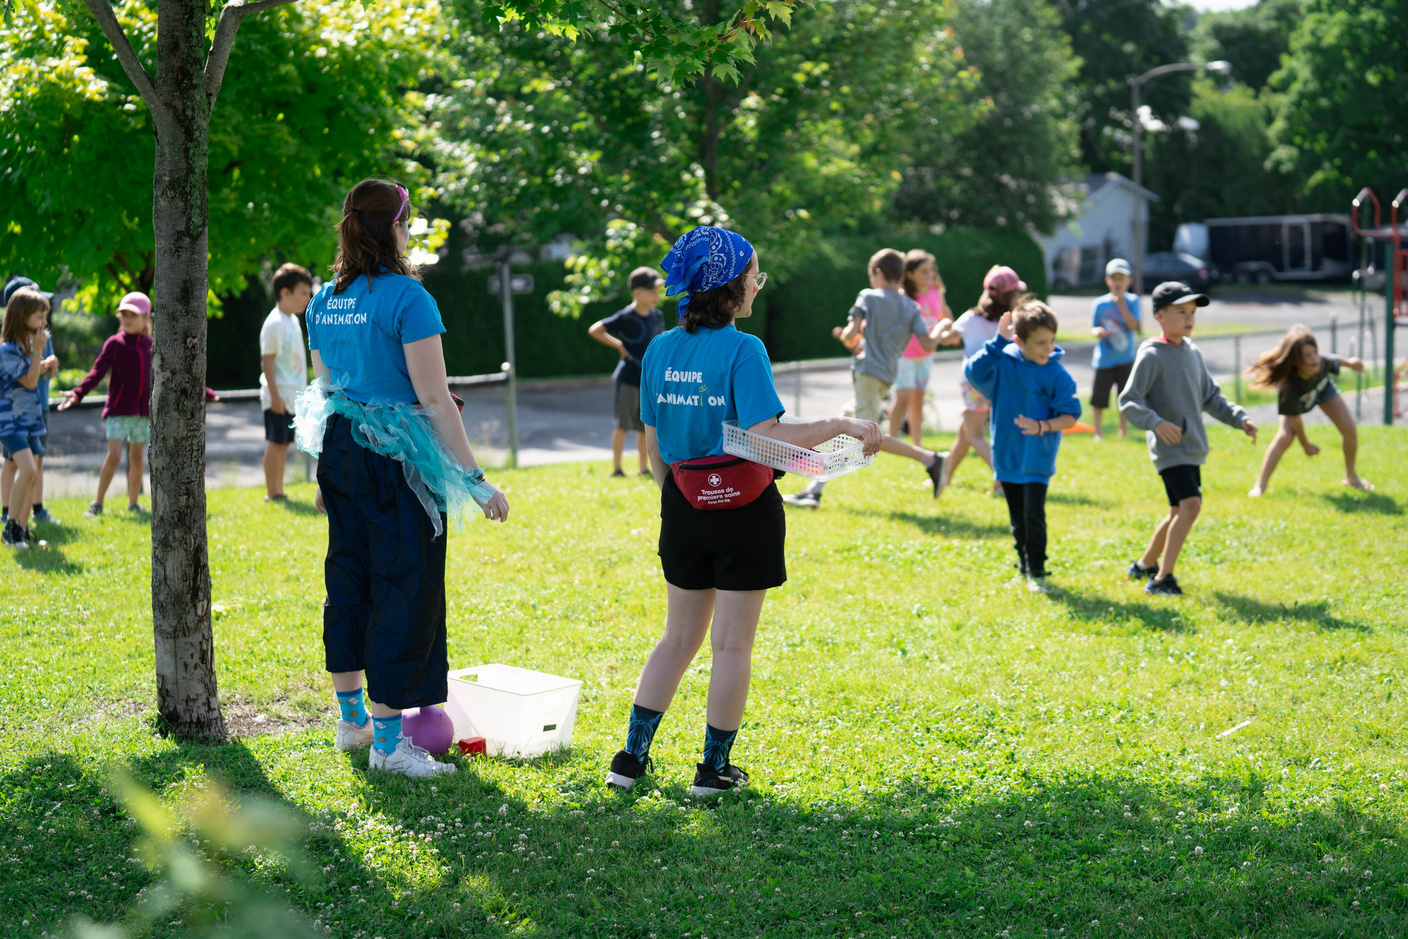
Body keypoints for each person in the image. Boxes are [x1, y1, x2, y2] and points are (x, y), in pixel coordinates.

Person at [606, 225, 881, 797]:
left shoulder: (658, 348)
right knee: (731, 645)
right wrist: (840, 423)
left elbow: (655, 444)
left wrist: (678, 498)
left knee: (676, 639)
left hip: (681, 504)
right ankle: (713, 771)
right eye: (754, 275)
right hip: (746, 511)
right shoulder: (743, 348)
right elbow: (767, 435)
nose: (758, 284)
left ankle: (630, 761)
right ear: (731, 285)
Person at [296, 177, 509, 779]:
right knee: (404, 587)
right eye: (407, 219)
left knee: (350, 578)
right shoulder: (408, 299)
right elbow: (435, 399)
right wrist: (475, 479)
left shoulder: (321, 299)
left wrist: (324, 473)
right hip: (397, 460)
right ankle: (390, 747)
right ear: (395, 225)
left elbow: (329, 393)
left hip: (341, 450)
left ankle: (352, 720)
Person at [1119, 282, 1257, 597]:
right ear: (1160, 316)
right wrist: (1156, 423)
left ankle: (1144, 566)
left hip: (1191, 447)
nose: (1189, 318)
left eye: (1192, 312)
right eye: (1181, 311)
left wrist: (1239, 418)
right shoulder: (1152, 354)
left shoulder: (1192, 350)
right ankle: (1162, 580)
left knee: (1177, 511)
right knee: (1190, 506)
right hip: (1170, 449)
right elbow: (1130, 401)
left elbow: (1210, 396)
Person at [783, 248, 948, 509]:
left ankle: (931, 459)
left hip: (867, 374)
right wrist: (939, 328)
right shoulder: (911, 306)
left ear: (878, 274)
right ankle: (813, 490)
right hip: (885, 378)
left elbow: (851, 334)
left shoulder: (868, 296)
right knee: (841, 427)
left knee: (866, 435)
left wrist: (846, 335)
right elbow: (928, 344)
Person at [963, 298, 1081, 594]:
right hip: (1006, 454)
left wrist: (1042, 426)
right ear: (1018, 340)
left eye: (1052, 340)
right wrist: (997, 342)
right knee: (1017, 518)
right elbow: (974, 374)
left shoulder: (1056, 373)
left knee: (1033, 514)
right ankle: (1023, 567)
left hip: (1037, 458)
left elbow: (1070, 416)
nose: (1049, 348)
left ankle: (1037, 572)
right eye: (1040, 343)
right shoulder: (1004, 362)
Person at [58, 292, 154, 516]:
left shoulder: (152, 345)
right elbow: (96, 372)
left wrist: (206, 392)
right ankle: (98, 503)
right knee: (114, 456)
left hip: (142, 413)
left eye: (133, 315)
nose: (127, 319)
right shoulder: (115, 343)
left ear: (146, 318)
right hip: (118, 412)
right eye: (124, 315)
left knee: (137, 457)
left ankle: (133, 504)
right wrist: (77, 393)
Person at [1245, 325, 1371, 496]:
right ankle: (1260, 486)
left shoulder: (1322, 363)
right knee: (1285, 436)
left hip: (1323, 390)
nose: (1314, 359)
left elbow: (1334, 359)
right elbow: (1296, 420)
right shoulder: (1289, 388)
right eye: (1307, 355)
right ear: (1295, 361)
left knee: (1350, 430)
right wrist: (1306, 445)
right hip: (1299, 402)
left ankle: (1351, 476)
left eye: (1315, 353)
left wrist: (1351, 363)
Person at [933, 265, 1024, 495]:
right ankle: (944, 476)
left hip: (973, 382)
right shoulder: (1011, 321)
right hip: (998, 384)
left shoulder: (971, 317)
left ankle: (1007, 478)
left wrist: (942, 325)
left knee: (974, 435)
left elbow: (947, 339)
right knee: (965, 434)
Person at [588, 267, 665, 477]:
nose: (656, 296)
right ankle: (617, 469)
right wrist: (620, 346)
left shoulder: (657, 316)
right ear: (637, 293)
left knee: (644, 426)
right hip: (628, 378)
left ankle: (643, 468)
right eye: (651, 291)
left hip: (647, 380)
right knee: (622, 425)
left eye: (657, 291)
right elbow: (595, 329)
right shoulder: (625, 316)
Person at [0, 287, 57, 549]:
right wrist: (38, 352)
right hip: (11, 422)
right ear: (21, 317)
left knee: (32, 476)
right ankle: (10, 528)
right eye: (39, 317)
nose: (44, 323)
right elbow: (29, 380)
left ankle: (21, 531)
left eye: (45, 317)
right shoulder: (7, 350)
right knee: (29, 470)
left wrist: (48, 363)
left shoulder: (27, 345)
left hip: (31, 420)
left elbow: (38, 374)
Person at [259, 263, 314, 502]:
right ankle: (272, 493)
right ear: (285, 293)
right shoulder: (275, 323)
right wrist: (275, 396)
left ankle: (279, 490)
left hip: (290, 397)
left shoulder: (291, 320)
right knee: (275, 442)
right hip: (278, 395)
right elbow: (267, 362)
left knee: (284, 444)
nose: (308, 298)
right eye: (303, 292)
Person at [889, 249, 951, 446]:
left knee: (918, 400)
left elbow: (947, 318)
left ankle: (917, 445)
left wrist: (950, 334)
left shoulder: (937, 293)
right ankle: (892, 441)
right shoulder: (903, 297)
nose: (930, 275)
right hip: (905, 355)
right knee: (904, 397)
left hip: (926, 355)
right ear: (910, 274)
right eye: (924, 271)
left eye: (931, 271)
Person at [1089, 258, 1141, 441]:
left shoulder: (1133, 301)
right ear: (1107, 281)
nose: (1118, 282)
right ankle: (1098, 432)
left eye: (1122, 278)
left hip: (1125, 358)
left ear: (1129, 281)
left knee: (1124, 397)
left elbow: (1134, 325)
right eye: (1114, 278)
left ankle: (1123, 430)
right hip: (1104, 358)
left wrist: (1121, 304)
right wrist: (1098, 332)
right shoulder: (1100, 304)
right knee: (1099, 398)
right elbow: (1093, 327)